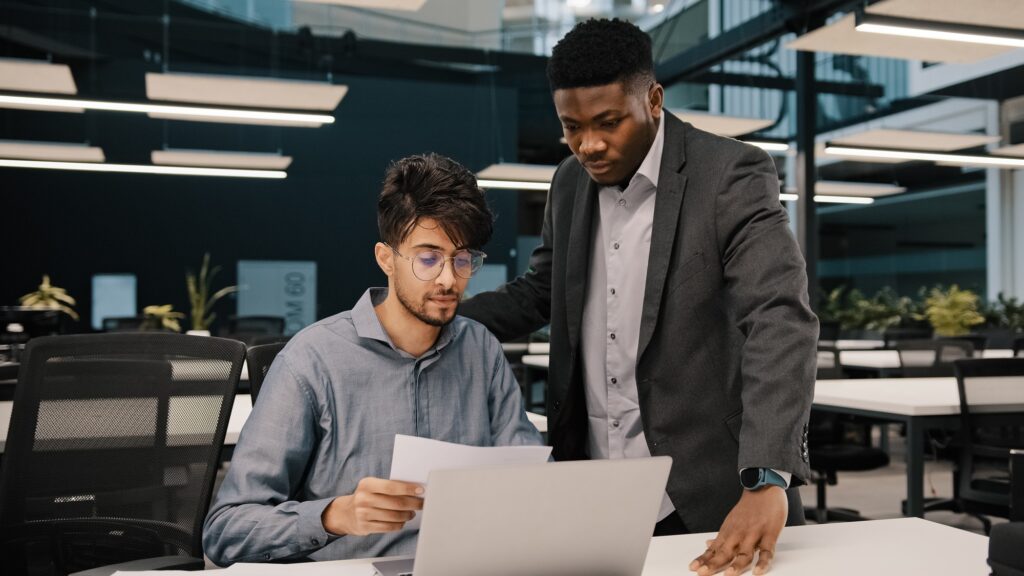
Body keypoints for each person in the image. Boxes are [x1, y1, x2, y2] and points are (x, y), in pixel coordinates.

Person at [459, 19, 817, 576]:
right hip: (594, 487)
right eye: (572, 127)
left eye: (608, 122)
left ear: (653, 99)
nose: (589, 144)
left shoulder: (729, 174)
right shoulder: (569, 183)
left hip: (712, 490)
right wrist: (433, 317)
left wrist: (767, 477)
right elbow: (542, 291)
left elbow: (779, 318)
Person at [203, 153, 543, 565]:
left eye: (463, 259)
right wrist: (333, 516)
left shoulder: (481, 350)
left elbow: (529, 478)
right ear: (386, 259)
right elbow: (226, 530)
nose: (448, 279)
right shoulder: (312, 360)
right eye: (428, 258)